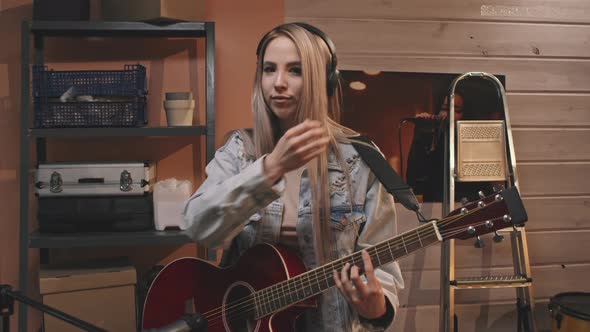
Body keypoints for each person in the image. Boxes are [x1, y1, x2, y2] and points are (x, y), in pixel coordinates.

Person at [182, 22, 404, 331]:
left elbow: (381, 267)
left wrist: (376, 306)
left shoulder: (361, 159)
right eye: (269, 69)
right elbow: (198, 227)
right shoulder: (239, 151)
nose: (279, 83)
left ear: (323, 81)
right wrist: (270, 168)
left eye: (295, 71)